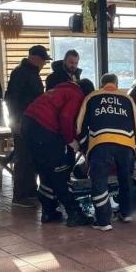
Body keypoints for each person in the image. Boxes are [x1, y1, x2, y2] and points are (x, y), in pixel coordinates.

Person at [21, 79, 93, 227]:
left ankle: (48, 211)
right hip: (44, 128)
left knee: (47, 171)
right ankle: (74, 213)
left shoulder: (61, 89)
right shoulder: (76, 95)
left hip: (28, 124)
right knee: (59, 170)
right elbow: (66, 117)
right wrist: (71, 140)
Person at [76, 73, 136, 230]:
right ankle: (126, 213)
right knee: (126, 179)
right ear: (116, 84)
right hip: (126, 144)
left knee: (99, 181)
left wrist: (84, 146)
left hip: (101, 142)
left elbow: (80, 125)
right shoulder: (127, 99)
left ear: (101, 85)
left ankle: (103, 221)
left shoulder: (92, 97)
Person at [5, 45, 51, 205]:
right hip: (22, 122)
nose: (44, 64)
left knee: (31, 157)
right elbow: (12, 99)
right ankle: (20, 195)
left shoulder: (30, 73)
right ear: (35, 58)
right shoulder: (21, 73)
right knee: (23, 158)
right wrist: (15, 121)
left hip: (31, 122)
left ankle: (30, 191)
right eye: (43, 60)